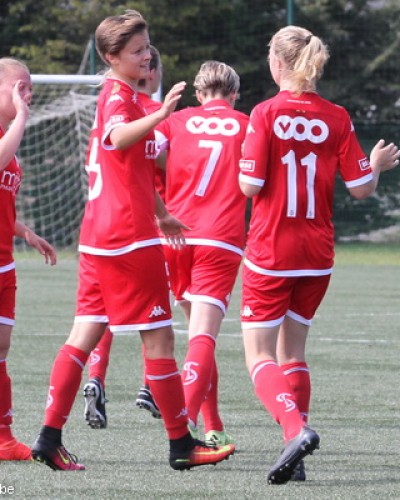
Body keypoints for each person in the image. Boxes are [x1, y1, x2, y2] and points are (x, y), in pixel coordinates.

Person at [31, 10, 234, 471]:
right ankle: (182, 444)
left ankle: (48, 437)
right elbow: (117, 138)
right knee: (159, 340)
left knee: (83, 334)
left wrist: (162, 214)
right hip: (126, 239)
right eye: (137, 51)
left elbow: (132, 167)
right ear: (111, 57)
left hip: (102, 234)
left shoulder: (128, 98)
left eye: (147, 47)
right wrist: (162, 113)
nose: (146, 56)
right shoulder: (118, 98)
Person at [237, 25, 400, 484]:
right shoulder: (337, 116)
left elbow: (249, 185)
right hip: (318, 251)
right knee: (294, 351)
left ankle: (295, 430)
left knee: (258, 356)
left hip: (272, 248)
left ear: (277, 63)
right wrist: (377, 164)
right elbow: (362, 188)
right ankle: (298, 455)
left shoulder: (265, 112)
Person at [156, 60, 249, 446]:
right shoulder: (247, 124)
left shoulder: (175, 121)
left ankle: (213, 424)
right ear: (235, 94)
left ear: (198, 94)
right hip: (219, 238)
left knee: (197, 336)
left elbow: (147, 159)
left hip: (175, 237)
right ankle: (184, 426)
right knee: (203, 338)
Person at [83, 45, 165, 428]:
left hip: (100, 226)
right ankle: (156, 393)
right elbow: (161, 163)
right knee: (160, 330)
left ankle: (91, 383)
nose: (148, 62)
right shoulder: (140, 109)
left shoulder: (108, 106)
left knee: (97, 321)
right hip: (135, 227)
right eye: (142, 54)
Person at [0, 57, 57, 462]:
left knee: (1, 349)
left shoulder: (9, 135)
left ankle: (2, 439)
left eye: (30, 88)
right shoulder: (8, 136)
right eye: (20, 87)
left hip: (4, 260)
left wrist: (25, 232)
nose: (29, 94)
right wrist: (21, 116)